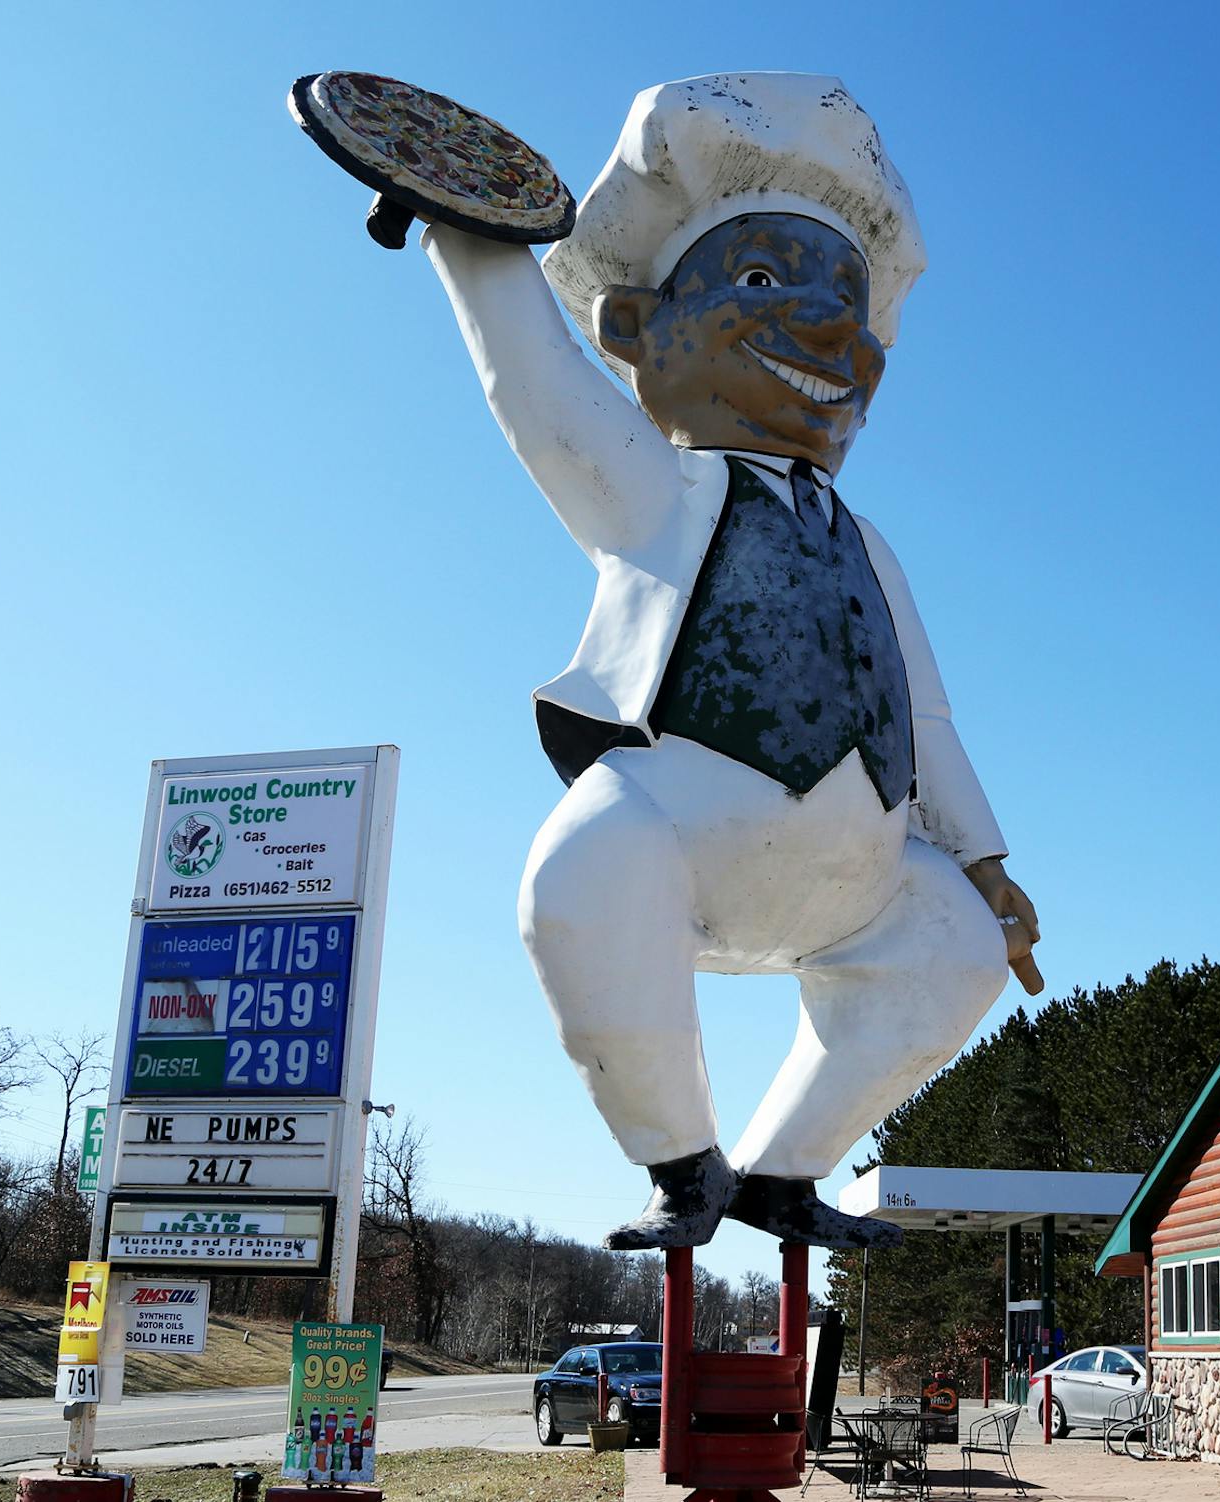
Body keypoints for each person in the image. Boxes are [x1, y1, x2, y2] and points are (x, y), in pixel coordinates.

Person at [421, 72, 1042, 1249]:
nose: (825, 326)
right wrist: (472, 235)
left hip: (859, 859)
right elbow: (539, 391)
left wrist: (990, 861)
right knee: (583, 868)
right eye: (762, 279)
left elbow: (935, 714)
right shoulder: (665, 487)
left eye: (845, 302)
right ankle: (681, 1157)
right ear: (640, 329)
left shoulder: (871, 543)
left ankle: (783, 1169)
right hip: (683, 821)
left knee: (951, 943)